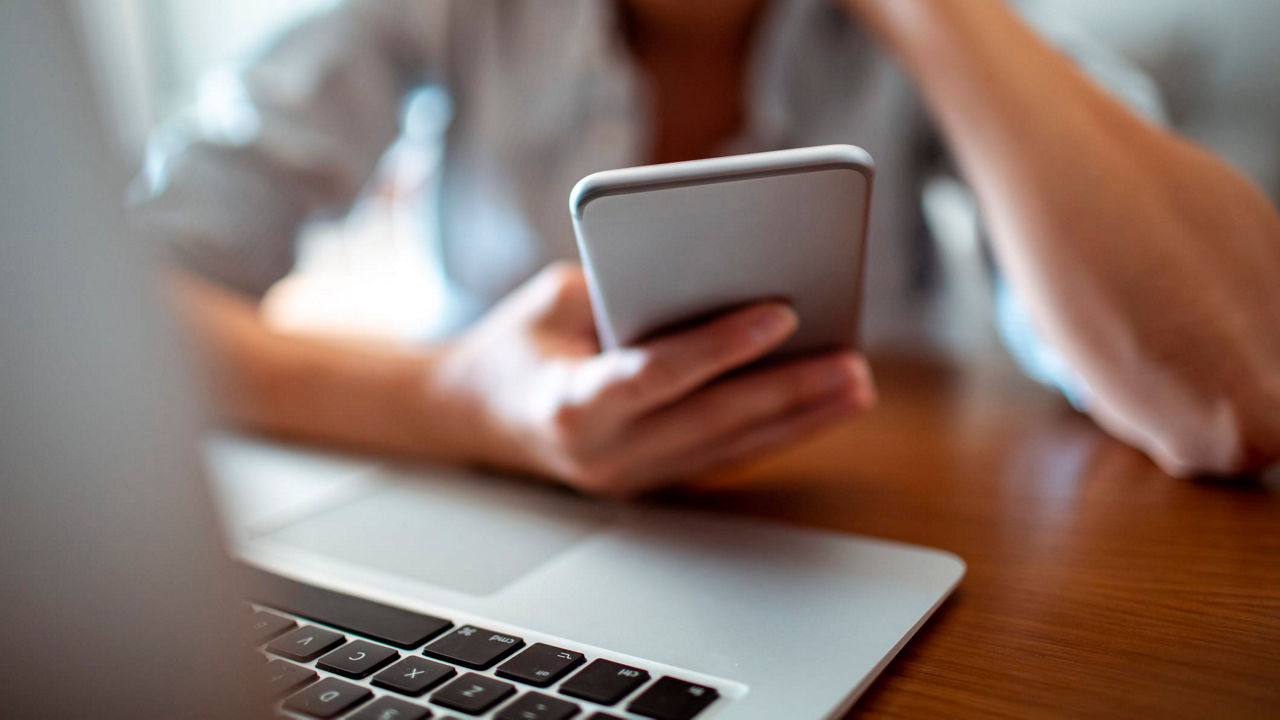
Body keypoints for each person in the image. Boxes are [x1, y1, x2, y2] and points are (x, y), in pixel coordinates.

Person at [134, 0, 1280, 495]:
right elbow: (110, 317)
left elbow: (1231, 392)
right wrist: (456, 402)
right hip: (501, 527)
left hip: (869, 535)